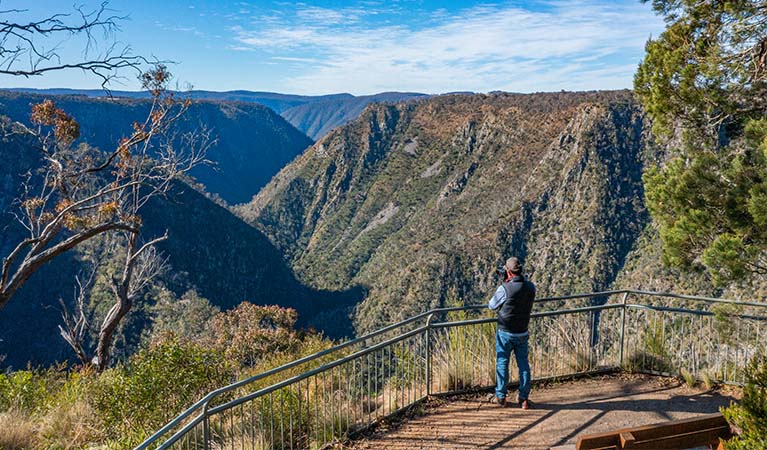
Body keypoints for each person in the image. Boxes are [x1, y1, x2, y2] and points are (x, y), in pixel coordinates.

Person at [488, 256, 536, 409]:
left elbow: (492, 305)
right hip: (522, 332)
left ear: (508, 272)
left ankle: (501, 396)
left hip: (505, 333)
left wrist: (503, 285)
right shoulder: (530, 287)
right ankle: (523, 398)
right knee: (523, 365)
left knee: (502, 362)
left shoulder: (505, 289)